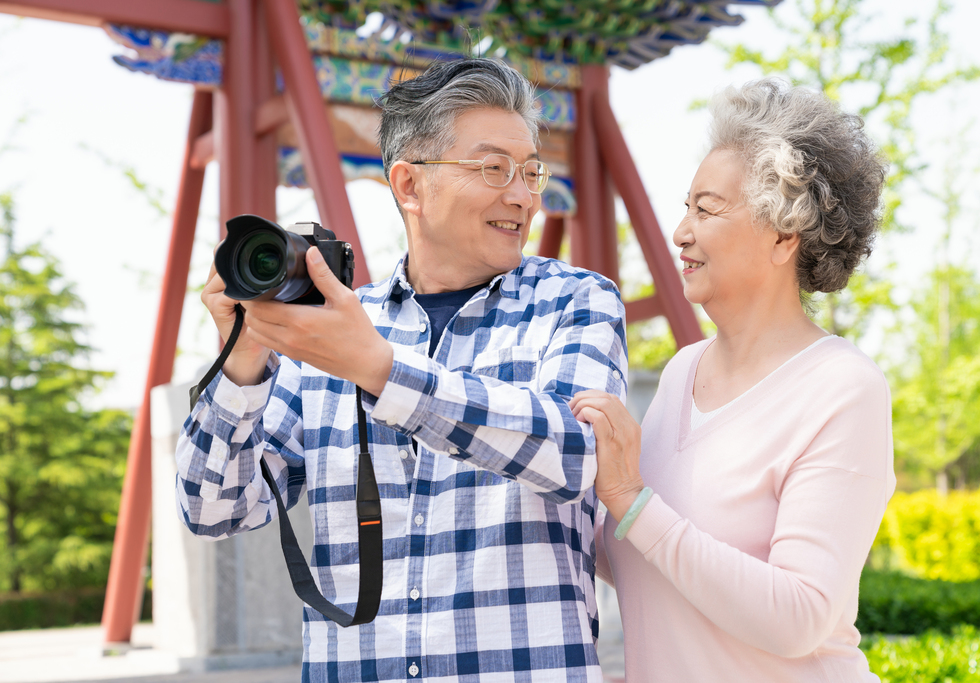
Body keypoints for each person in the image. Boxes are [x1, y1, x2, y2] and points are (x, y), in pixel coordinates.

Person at [176, 58, 627, 682]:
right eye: (494, 168)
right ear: (410, 185)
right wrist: (244, 360)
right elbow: (213, 509)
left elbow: (575, 454)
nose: (522, 194)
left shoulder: (576, 300)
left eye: (530, 171)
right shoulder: (334, 331)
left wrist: (381, 370)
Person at [570, 78, 895, 682]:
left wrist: (630, 501)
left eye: (707, 209)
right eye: (685, 206)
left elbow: (798, 617)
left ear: (783, 235)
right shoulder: (680, 372)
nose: (680, 232)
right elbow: (647, 551)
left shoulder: (844, 387)